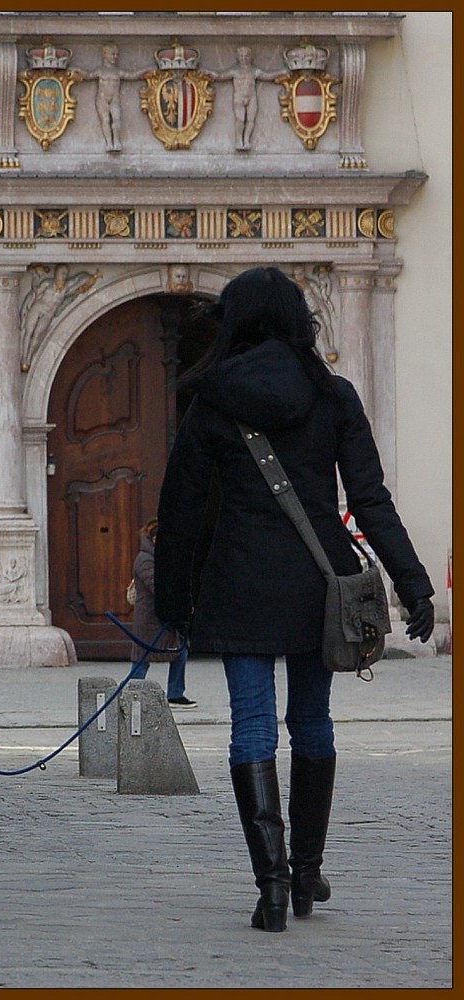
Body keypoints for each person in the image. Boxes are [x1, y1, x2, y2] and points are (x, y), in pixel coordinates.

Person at [153, 266, 435, 932]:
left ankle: (271, 888)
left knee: (251, 727)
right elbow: (368, 499)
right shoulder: (332, 395)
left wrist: (172, 605)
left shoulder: (212, 399)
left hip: (240, 584)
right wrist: (411, 581)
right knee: (312, 725)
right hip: (321, 587)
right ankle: (306, 875)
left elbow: (182, 509)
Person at [129, 519, 196, 708]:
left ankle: (175, 694)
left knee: (180, 651)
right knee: (142, 656)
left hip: (166, 615)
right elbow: (155, 585)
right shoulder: (145, 559)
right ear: (156, 539)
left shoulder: (166, 557)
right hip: (149, 618)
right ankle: (133, 692)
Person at [214, 46, 280, 151]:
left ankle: (246, 140)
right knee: (240, 120)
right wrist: (210, 74)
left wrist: (281, 73)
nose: (244, 59)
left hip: (252, 97)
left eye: (246, 56)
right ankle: (239, 140)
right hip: (239, 97)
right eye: (241, 56)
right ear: (238, 57)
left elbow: (269, 76)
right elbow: (221, 76)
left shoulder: (254, 71)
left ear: (251, 57)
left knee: (250, 120)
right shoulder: (235, 71)